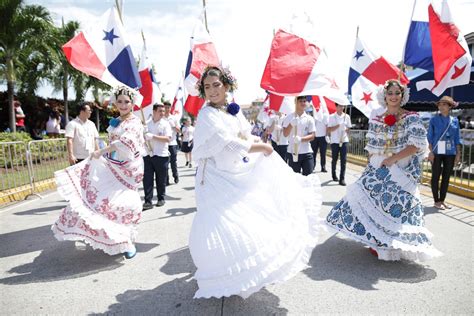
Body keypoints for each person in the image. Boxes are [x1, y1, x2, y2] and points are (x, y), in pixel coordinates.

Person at [189, 66, 322, 299]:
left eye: (216, 85)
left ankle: (242, 271)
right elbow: (228, 142)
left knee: (245, 217)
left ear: (227, 86)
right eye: (207, 87)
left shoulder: (232, 109)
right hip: (214, 176)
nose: (212, 91)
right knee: (219, 222)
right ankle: (220, 274)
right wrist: (263, 147)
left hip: (234, 169)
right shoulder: (206, 114)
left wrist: (258, 142)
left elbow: (244, 133)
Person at [326, 79, 442, 261]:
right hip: (379, 167)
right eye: (390, 93)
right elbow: (372, 146)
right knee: (376, 204)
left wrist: (393, 159)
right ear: (384, 96)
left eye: (397, 93)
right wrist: (370, 165)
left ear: (403, 96)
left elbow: (416, 146)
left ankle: (393, 243)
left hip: (401, 169)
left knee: (397, 208)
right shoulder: (377, 117)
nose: (394, 96)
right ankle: (379, 240)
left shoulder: (411, 117)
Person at [52, 87, 146, 259]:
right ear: (115, 103)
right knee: (102, 199)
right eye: (120, 102)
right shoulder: (117, 120)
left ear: (132, 103)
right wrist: (102, 153)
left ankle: (126, 241)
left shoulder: (134, 122)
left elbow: (125, 143)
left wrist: (101, 152)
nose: (123, 105)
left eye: (126, 102)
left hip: (128, 169)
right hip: (113, 164)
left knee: (125, 203)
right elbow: (113, 140)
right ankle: (115, 238)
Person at [427, 96, 462, 210]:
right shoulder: (433, 120)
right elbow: (430, 137)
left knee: (446, 177)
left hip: (450, 151)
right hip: (437, 150)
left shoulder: (455, 121)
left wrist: (458, 154)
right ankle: (436, 201)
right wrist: (430, 152)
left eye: (444, 104)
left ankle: (442, 200)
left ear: (450, 106)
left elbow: (457, 138)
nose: (441, 107)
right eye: (440, 104)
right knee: (436, 176)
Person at [142, 103, 172, 210]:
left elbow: (168, 139)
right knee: (147, 179)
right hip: (148, 155)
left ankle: (161, 198)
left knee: (161, 179)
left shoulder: (165, 124)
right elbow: (141, 138)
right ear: (154, 111)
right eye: (160, 111)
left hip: (161, 155)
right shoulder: (146, 124)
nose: (162, 113)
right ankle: (148, 201)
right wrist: (144, 136)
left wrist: (153, 136)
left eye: (163, 111)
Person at [282, 96, 316, 175]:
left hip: (307, 152)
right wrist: (291, 124)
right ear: (296, 102)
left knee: (308, 178)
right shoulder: (289, 117)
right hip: (292, 152)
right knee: (295, 180)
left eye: (304, 101)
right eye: (301, 101)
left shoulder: (309, 118)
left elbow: (312, 136)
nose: (303, 103)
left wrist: (300, 139)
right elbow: (285, 134)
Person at [327, 103, 352, 185]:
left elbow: (349, 128)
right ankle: (334, 175)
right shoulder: (331, 117)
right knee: (334, 159)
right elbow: (329, 129)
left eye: (343, 106)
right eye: (340, 106)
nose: (342, 107)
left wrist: (346, 129)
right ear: (336, 107)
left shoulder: (347, 116)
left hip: (344, 140)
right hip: (335, 141)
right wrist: (338, 126)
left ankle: (342, 179)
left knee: (343, 160)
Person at [164, 101, 180, 184]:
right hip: (163, 144)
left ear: (170, 108)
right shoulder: (161, 118)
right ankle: (166, 179)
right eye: (165, 107)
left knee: (173, 162)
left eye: (168, 107)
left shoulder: (174, 118)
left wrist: (173, 126)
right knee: (165, 163)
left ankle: (175, 176)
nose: (166, 109)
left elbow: (179, 131)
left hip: (172, 143)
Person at [310, 106, 329, 173]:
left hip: (323, 137)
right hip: (315, 137)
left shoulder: (325, 115)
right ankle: (312, 166)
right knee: (313, 153)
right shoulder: (314, 116)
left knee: (323, 153)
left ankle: (323, 167)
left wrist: (326, 135)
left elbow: (327, 126)